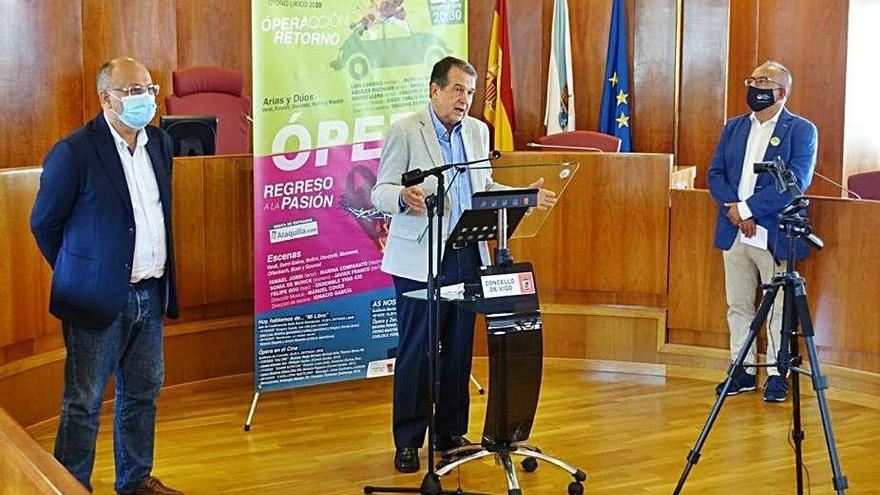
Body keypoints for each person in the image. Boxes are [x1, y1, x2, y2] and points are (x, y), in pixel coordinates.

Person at [372, 56, 553, 473]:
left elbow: (483, 186)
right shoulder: (406, 130)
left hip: (468, 252)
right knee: (418, 349)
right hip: (420, 256)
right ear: (434, 90)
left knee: (457, 347)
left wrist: (523, 193)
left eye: (470, 93)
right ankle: (408, 440)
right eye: (457, 90)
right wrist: (403, 198)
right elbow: (381, 189)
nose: (465, 100)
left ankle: (452, 433)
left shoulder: (477, 131)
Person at [30, 57, 182, 495]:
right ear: (106, 98)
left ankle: (135, 481)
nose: (145, 99)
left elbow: (154, 214)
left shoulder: (159, 143)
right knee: (84, 402)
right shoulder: (74, 150)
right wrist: (79, 270)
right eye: (133, 90)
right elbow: (44, 223)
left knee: (142, 393)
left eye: (149, 89)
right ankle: (70, 486)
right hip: (95, 300)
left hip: (150, 292)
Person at [707, 60, 817, 403]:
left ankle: (776, 374)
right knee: (738, 304)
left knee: (778, 307)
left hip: (773, 232)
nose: (754, 85)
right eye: (751, 78)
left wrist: (750, 209)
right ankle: (742, 369)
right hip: (735, 230)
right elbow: (716, 174)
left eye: (763, 80)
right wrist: (735, 209)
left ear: (781, 92)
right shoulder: (734, 127)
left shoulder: (801, 130)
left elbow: (795, 182)